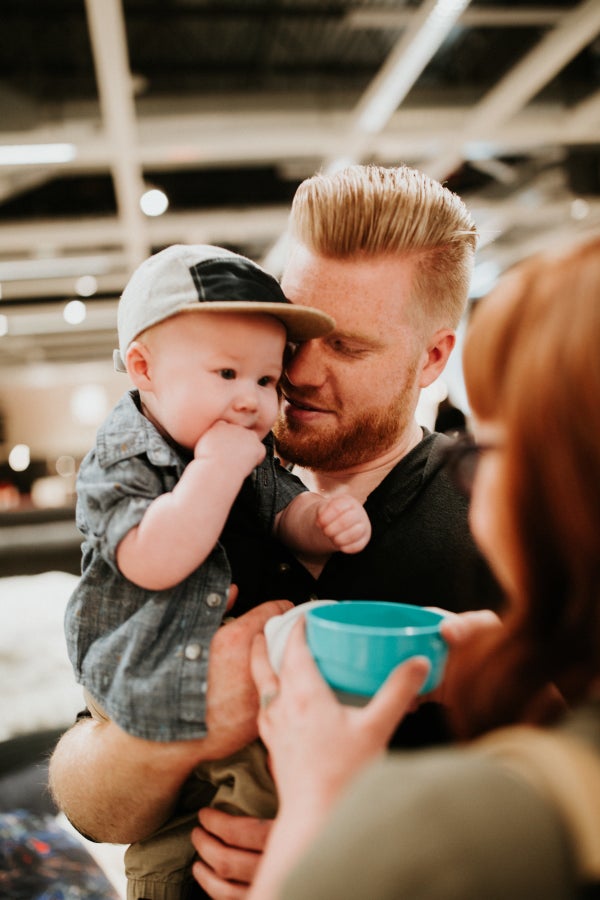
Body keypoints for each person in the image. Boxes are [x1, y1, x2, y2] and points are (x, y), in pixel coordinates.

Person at [49, 165, 500, 894]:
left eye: (346, 347)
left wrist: (350, 861)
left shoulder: (502, 515)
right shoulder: (179, 482)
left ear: (434, 357)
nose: (298, 373)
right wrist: (188, 724)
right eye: (295, 332)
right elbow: (88, 801)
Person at [237, 233, 600, 900]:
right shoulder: (200, 492)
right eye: (294, 334)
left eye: (487, 452)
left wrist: (318, 841)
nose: (300, 371)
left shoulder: (440, 830)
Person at [64, 242, 371, 899]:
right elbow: (152, 559)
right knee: (201, 819)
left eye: (265, 381)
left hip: (228, 670)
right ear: (144, 368)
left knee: (251, 786)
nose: (251, 402)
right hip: (147, 666)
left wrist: (323, 520)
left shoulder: (241, 447)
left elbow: (283, 517)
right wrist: (215, 470)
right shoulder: (124, 458)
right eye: (227, 373)